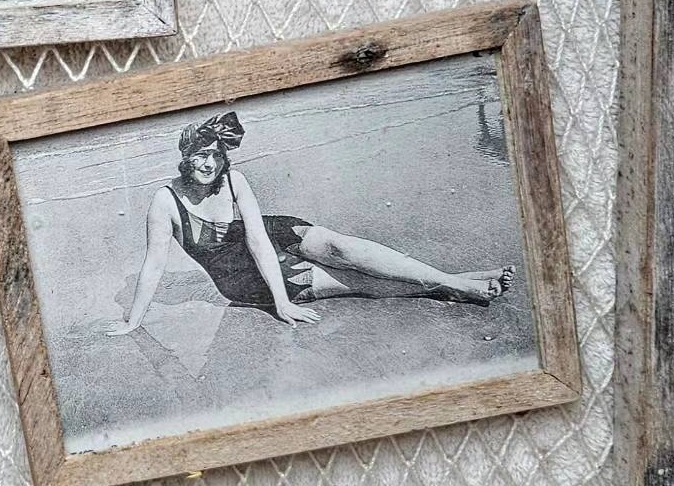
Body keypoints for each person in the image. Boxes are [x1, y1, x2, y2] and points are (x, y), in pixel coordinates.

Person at [102, 112, 513, 338]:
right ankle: (455, 285)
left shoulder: (234, 179)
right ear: (185, 158)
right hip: (243, 278)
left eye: (214, 154)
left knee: (343, 249)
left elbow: (260, 239)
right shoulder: (165, 201)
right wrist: (132, 321)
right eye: (199, 156)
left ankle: (456, 282)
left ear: (223, 156)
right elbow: (154, 265)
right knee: (353, 282)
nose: (208, 163)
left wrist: (283, 302)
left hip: (266, 237)